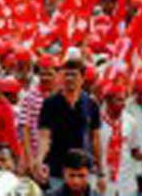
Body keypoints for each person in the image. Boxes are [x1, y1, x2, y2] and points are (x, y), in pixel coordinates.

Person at [37, 58, 103, 193]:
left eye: (74, 75)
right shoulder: (50, 103)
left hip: (83, 169)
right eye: (66, 74)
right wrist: (39, 161)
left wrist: (100, 170)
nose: (69, 78)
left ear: (83, 78)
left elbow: (95, 139)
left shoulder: (91, 104)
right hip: (57, 167)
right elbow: (44, 137)